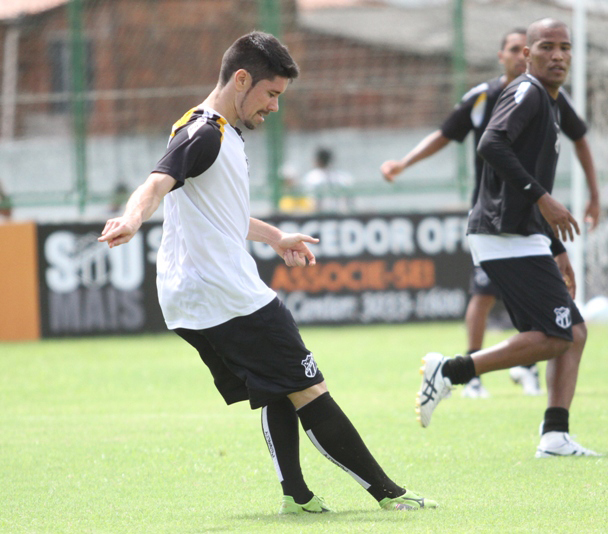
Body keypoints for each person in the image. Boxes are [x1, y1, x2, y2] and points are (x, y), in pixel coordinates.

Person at [99, 32, 437, 513]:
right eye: (271, 94)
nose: (275, 107)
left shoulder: (222, 133)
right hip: (227, 295)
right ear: (241, 79)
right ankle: (389, 493)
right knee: (310, 388)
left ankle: (296, 497)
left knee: (277, 385)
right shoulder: (203, 132)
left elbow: (220, 213)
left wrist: (276, 237)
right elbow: (155, 184)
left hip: (199, 295)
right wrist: (132, 219)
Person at [415, 19, 601, 458]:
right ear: (527, 55)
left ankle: (555, 435)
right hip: (502, 233)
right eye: (546, 47)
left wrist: (556, 248)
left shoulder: (550, 102)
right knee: (560, 335)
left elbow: (527, 175)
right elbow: (491, 144)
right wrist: (545, 199)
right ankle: (452, 370)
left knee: (572, 331)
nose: (557, 55)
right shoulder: (526, 91)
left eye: (565, 47)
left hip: (523, 234)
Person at [303, 147, 353, 212]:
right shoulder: (342, 176)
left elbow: (311, 201)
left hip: (319, 216)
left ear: (318, 160)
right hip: (340, 216)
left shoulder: (312, 177)